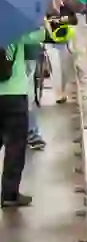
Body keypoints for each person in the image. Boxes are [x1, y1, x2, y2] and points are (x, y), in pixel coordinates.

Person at [0, 24, 46, 207]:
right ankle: (9, 194)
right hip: (14, 94)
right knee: (15, 146)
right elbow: (39, 35)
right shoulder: (15, 27)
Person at [45, 0, 79, 105]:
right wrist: (51, 21)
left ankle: (63, 90)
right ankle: (58, 93)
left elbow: (74, 20)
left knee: (64, 68)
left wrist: (65, 19)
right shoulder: (47, 7)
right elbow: (43, 20)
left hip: (64, 41)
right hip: (50, 42)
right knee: (56, 68)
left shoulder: (67, 7)